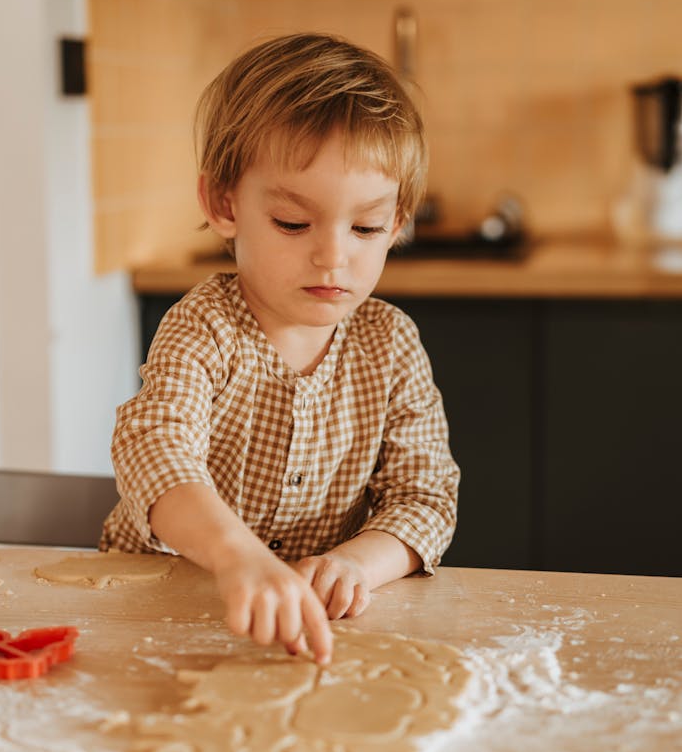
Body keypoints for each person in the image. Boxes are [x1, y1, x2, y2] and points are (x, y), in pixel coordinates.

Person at [101, 32, 459, 666]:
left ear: (398, 222)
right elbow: (156, 449)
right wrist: (238, 556)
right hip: (166, 608)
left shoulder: (392, 344)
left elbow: (424, 498)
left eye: (366, 226)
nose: (333, 254)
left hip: (317, 624)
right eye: (294, 223)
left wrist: (356, 564)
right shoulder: (205, 327)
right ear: (223, 203)